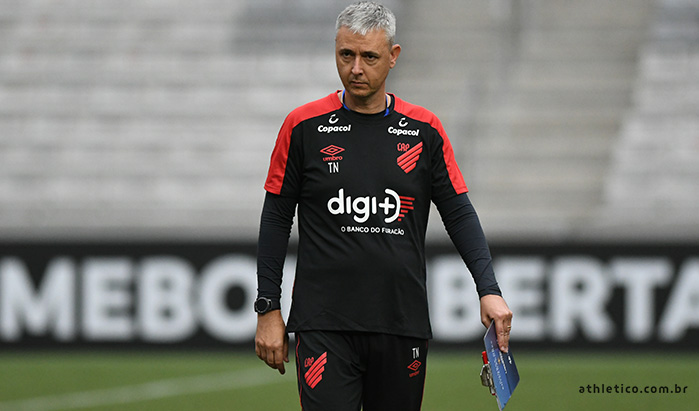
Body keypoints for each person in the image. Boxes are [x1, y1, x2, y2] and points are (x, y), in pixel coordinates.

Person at [254, 2, 512, 410]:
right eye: (346, 54)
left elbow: (459, 213)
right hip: (324, 324)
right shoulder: (303, 127)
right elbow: (275, 218)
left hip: (401, 322)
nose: (356, 68)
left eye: (369, 57)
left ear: (393, 56)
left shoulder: (424, 130)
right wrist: (268, 307)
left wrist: (489, 290)